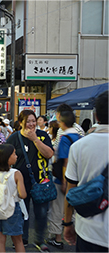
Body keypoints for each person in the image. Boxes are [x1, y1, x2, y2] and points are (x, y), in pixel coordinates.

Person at [63, 91, 108, 252]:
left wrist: (67, 223)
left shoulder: (79, 146)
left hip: (88, 230)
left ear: (96, 116)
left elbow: (71, 188)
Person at [6, 110, 54, 252]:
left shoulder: (43, 136)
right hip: (20, 183)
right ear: (21, 123)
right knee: (22, 213)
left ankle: (40, 240)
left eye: (34, 120)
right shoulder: (14, 138)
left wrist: (35, 139)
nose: (32, 124)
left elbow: (49, 154)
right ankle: (22, 239)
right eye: (28, 121)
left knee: (41, 213)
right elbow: (6, 158)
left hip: (41, 182)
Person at [47, 110, 81, 250]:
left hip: (64, 179)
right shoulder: (79, 136)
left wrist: (65, 181)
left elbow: (66, 161)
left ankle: (57, 238)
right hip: (78, 179)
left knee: (57, 209)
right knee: (74, 209)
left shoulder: (65, 138)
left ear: (62, 122)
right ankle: (76, 234)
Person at [0, 144, 27, 253]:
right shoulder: (16, 174)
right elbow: (22, 195)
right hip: (12, 209)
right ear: (7, 158)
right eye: (14, 154)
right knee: (18, 240)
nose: (16, 156)